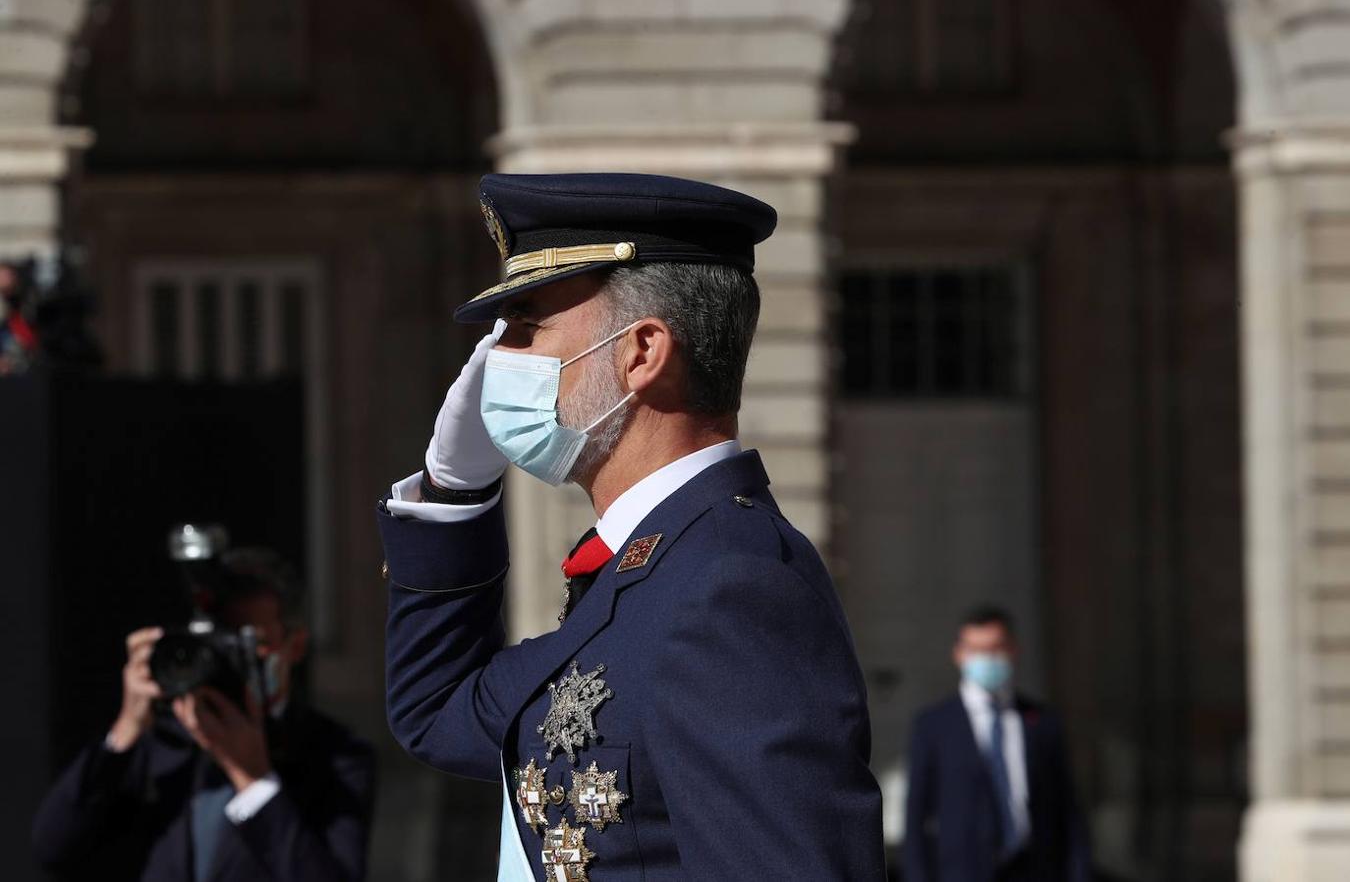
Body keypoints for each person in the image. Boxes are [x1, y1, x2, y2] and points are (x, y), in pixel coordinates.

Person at [378, 172, 886, 880]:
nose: (499, 361)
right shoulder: (645, 569)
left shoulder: (730, 586)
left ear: (641, 352)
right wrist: (452, 492)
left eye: (527, 328)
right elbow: (438, 712)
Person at [32, 548, 376, 881]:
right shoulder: (162, 741)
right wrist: (127, 727)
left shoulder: (337, 756)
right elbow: (53, 848)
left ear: (295, 645)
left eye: (246, 643)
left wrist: (254, 780)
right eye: (216, 642)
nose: (227, 658)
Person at [902, 605, 1090, 882]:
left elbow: (1067, 811)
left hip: (1035, 870)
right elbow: (917, 813)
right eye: (976, 649)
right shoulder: (933, 726)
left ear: (1013, 650)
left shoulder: (1042, 721)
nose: (986, 658)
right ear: (959, 654)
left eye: (995, 648)